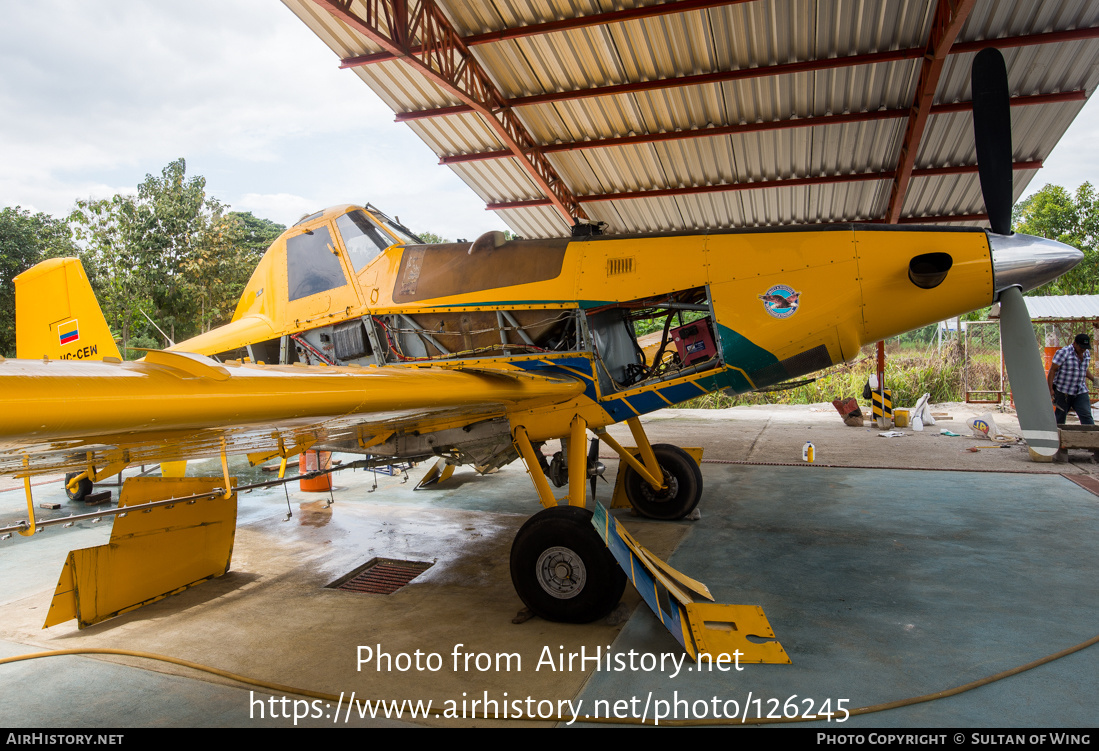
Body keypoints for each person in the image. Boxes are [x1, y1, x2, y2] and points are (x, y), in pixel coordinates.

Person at [1047, 333, 1097, 425]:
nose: (1083, 349)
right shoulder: (1063, 353)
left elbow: (1083, 369)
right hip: (1063, 391)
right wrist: (1050, 389)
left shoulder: (1086, 354)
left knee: (1086, 415)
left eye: (1085, 347)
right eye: (1081, 347)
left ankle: (1091, 437)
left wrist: (1094, 380)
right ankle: (1058, 437)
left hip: (1080, 391)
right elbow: (1052, 371)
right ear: (1075, 344)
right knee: (1060, 417)